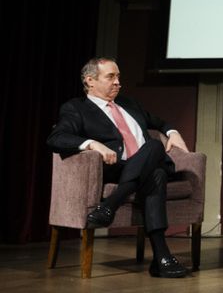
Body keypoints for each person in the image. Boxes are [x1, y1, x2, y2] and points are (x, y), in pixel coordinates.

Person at [47, 58, 190, 278]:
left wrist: (173, 132)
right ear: (90, 81)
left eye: (118, 77)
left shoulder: (129, 103)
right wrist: (92, 143)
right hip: (115, 168)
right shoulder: (76, 108)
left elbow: (160, 123)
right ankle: (162, 258)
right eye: (111, 77)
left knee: (156, 159)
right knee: (156, 161)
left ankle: (110, 206)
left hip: (144, 165)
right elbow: (56, 137)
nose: (118, 82)